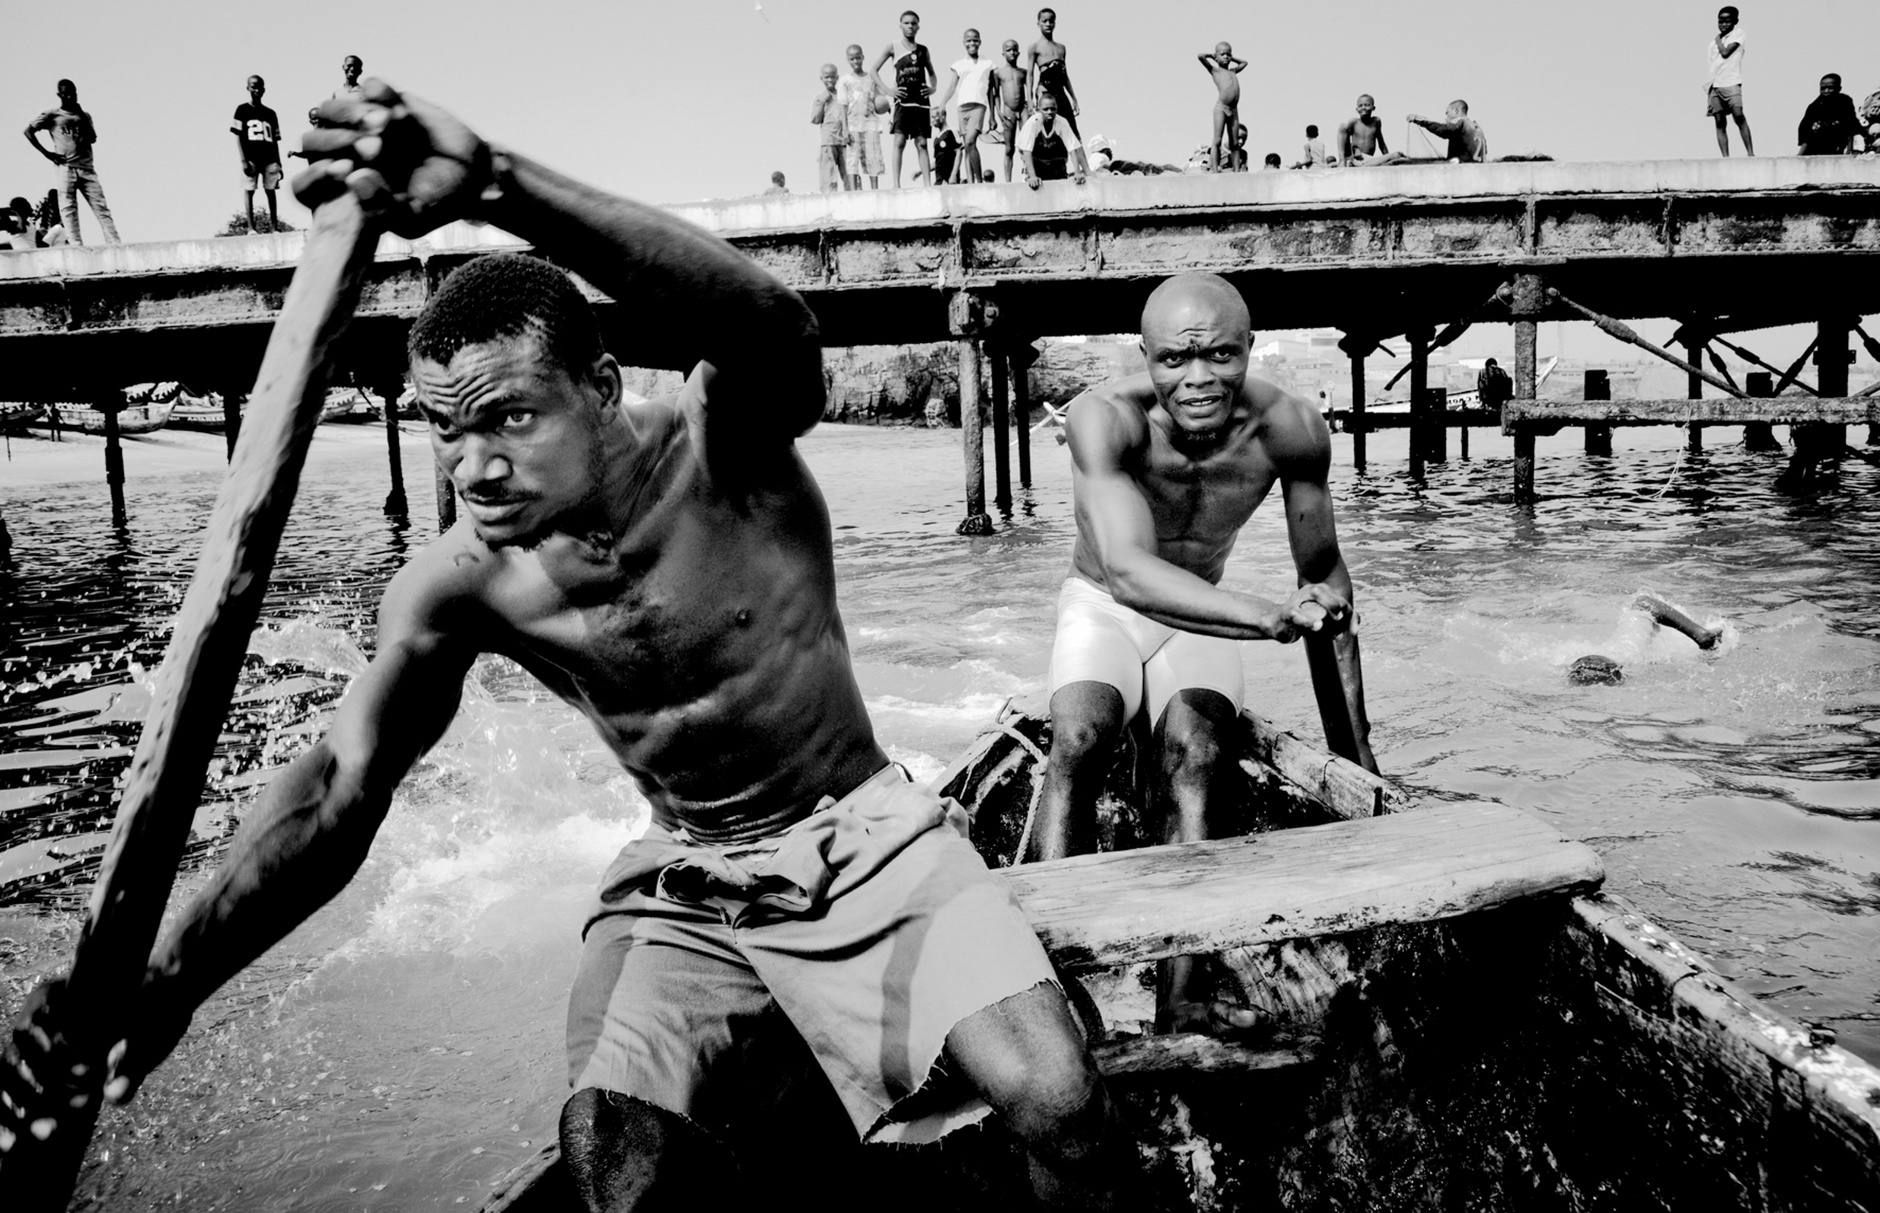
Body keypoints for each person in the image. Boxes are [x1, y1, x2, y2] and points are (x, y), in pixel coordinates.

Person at [1, 75, 1148, 1210]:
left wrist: (498, 183)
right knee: (612, 1152)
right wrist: (169, 977)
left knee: (1060, 1101)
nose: (475, 467)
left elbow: (770, 325)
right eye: (444, 430)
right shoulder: (460, 585)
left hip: (863, 836)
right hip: (690, 870)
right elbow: (339, 788)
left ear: (599, 386)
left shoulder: (724, 450)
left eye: (509, 416)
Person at [1028, 272, 1376, 1036]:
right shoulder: (1102, 418)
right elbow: (1127, 571)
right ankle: (1049, 991)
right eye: (1174, 359)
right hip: (1105, 606)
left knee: (1200, 755)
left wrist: (1358, 762)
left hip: (1200, 611)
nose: (1198, 378)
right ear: (1144, 355)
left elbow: (1325, 584)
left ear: (1250, 347)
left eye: (1220, 355)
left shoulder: (1291, 426)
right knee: (1079, 738)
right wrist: (1263, 616)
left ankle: (1183, 994)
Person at [23, 78, 120, 245]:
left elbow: (92, 138)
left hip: (86, 168)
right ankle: (76, 245)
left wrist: (80, 113)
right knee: (68, 209)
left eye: (73, 94)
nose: (70, 97)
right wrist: (48, 154)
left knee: (101, 207)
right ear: (59, 95)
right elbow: (28, 131)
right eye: (66, 94)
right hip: (66, 167)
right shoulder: (52, 115)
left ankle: (114, 243)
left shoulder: (85, 116)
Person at [871, 10, 935, 187]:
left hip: (921, 103)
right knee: (899, 142)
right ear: (900, 25)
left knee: (922, 143)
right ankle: (896, 184)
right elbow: (873, 71)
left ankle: (927, 184)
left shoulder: (923, 50)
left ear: (918, 26)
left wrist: (933, 88)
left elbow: (932, 73)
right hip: (902, 102)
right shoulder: (893, 46)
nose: (910, 26)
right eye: (906, 23)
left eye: (913, 23)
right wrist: (888, 90)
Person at [938, 29, 995, 185]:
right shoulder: (959, 64)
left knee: (970, 141)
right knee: (967, 145)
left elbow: (991, 91)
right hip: (962, 107)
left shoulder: (988, 64)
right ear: (964, 43)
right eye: (969, 40)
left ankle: (979, 181)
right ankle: (970, 183)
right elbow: (952, 87)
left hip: (979, 106)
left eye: (975, 40)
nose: (972, 43)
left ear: (980, 42)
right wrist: (943, 103)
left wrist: (992, 115)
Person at [231, 74, 284, 233]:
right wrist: (243, 160)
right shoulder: (242, 109)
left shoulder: (270, 113)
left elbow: (275, 141)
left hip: (269, 157)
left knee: (271, 190)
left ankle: (274, 227)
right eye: (253, 87)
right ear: (248, 88)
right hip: (251, 157)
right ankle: (250, 227)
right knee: (249, 190)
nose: (256, 90)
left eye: (259, 87)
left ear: (264, 89)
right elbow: (238, 136)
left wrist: (279, 163)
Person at [1028, 8, 1084, 144]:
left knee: (1071, 128)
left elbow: (1065, 75)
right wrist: (1030, 99)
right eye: (1044, 21)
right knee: (1046, 127)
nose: (1048, 24)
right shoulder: (1034, 47)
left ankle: (1075, 157)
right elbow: (1030, 74)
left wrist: (1074, 98)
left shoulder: (1061, 48)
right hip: (1045, 90)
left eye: (1051, 21)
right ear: (1038, 23)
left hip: (1060, 91)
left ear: (1055, 23)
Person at [836, 44, 886, 190]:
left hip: (870, 123)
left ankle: (874, 189)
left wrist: (887, 109)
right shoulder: (845, 81)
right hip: (853, 124)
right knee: (852, 158)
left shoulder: (871, 79)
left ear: (863, 57)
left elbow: (880, 99)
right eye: (852, 59)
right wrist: (845, 129)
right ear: (848, 60)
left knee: (873, 157)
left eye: (858, 58)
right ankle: (853, 190)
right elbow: (842, 105)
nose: (855, 61)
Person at [1706, 6, 1753, 157]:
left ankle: (1750, 153)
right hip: (1715, 84)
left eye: (1727, 21)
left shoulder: (1738, 34)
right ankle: (1725, 157)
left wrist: (1718, 40)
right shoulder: (1713, 44)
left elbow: (1726, 52)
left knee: (1738, 115)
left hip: (1731, 82)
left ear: (1735, 21)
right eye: (1721, 21)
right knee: (1719, 121)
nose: (1723, 24)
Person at [1015, 91, 1087, 189]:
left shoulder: (1062, 122)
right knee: (1035, 186)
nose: (1049, 112)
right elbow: (1027, 151)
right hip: (1036, 162)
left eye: (1053, 109)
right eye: (1046, 109)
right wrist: (1032, 176)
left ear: (1057, 108)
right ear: (1039, 109)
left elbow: (1073, 148)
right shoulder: (1033, 123)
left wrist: (1077, 172)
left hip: (1054, 163)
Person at [1196, 42, 1247, 172]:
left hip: (1233, 110)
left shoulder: (1233, 71)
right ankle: (1214, 170)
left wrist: (1232, 58)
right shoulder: (1214, 71)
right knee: (1217, 140)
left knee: (1234, 143)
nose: (1226, 57)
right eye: (1222, 54)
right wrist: (1212, 56)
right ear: (1216, 56)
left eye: (1228, 54)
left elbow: (1244, 63)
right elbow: (1200, 56)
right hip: (1221, 108)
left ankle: (1236, 171)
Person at [988, 39, 1029, 183]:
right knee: (1009, 148)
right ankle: (1008, 182)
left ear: (1019, 52)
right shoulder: (997, 72)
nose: (1012, 52)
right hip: (1008, 110)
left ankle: (1028, 174)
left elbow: (1029, 91)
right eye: (1008, 50)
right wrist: (997, 113)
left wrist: (1030, 105)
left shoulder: (1023, 72)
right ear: (1003, 53)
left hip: (1023, 110)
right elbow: (995, 94)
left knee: (1027, 145)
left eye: (1014, 49)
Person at [1406, 99, 1488, 162]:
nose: (1446, 116)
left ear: (1456, 111)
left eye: (1447, 112)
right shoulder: (1476, 127)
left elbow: (1443, 130)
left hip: (1462, 167)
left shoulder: (1460, 121)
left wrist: (1419, 120)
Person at [809, 63, 849, 192]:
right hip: (828, 142)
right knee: (828, 178)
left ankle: (854, 198)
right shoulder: (819, 98)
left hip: (844, 141)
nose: (830, 80)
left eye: (832, 77)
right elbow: (815, 119)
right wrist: (822, 101)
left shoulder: (843, 95)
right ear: (821, 78)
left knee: (850, 175)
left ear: (837, 77)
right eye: (826, 77)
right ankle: (829, 200)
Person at [1797, 74, 1859, 155]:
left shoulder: (1844, 102)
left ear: (1839, 89)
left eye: (1830, 88)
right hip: (1814, 151)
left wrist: (1850, 152)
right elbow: (1806, 135)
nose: (1826, 91)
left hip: (1836, 150)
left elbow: (1851, 127)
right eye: (1823, 88)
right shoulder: (1814, 107)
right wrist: (1799, 157)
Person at [1336, 94, 1402, 166]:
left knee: (1396, 156)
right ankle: (1342, 161)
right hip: (1353, 157)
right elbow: (1345, 141)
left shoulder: (1376, 122)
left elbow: (1381, 143)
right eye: (1360, 106)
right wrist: (1355, 149)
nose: (1363, 108)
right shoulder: (1354, 122)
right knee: (1343, 126)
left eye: (1367, 105)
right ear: (1357, 109)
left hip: (1367, 160)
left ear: (1373, 108)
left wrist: (1387, 157)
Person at [930, 111, 961, 186]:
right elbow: (937, 161)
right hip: (939, 180)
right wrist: (921, 171)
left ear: (943, 116)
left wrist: (953, 175)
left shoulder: (951, 131)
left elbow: (959, 152)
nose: (932, 120)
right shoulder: (936, 139)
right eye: (931, 118)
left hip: (949, 180)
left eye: (934, 117)